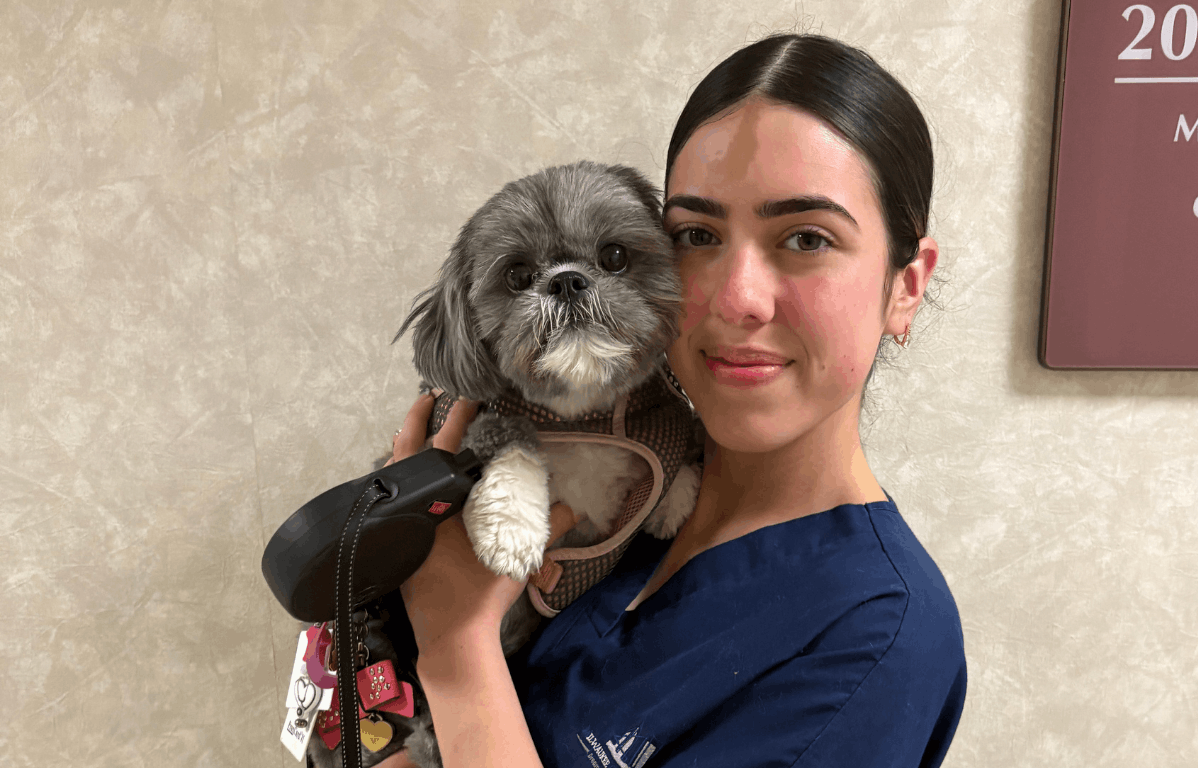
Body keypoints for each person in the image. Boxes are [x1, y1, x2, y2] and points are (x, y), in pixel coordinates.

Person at [379, 33, 965, 768]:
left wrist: (456, 645)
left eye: (807, 238)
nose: (736, 298)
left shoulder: (876, 641)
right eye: (697, 234)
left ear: (905, 287)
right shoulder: (620, 490)